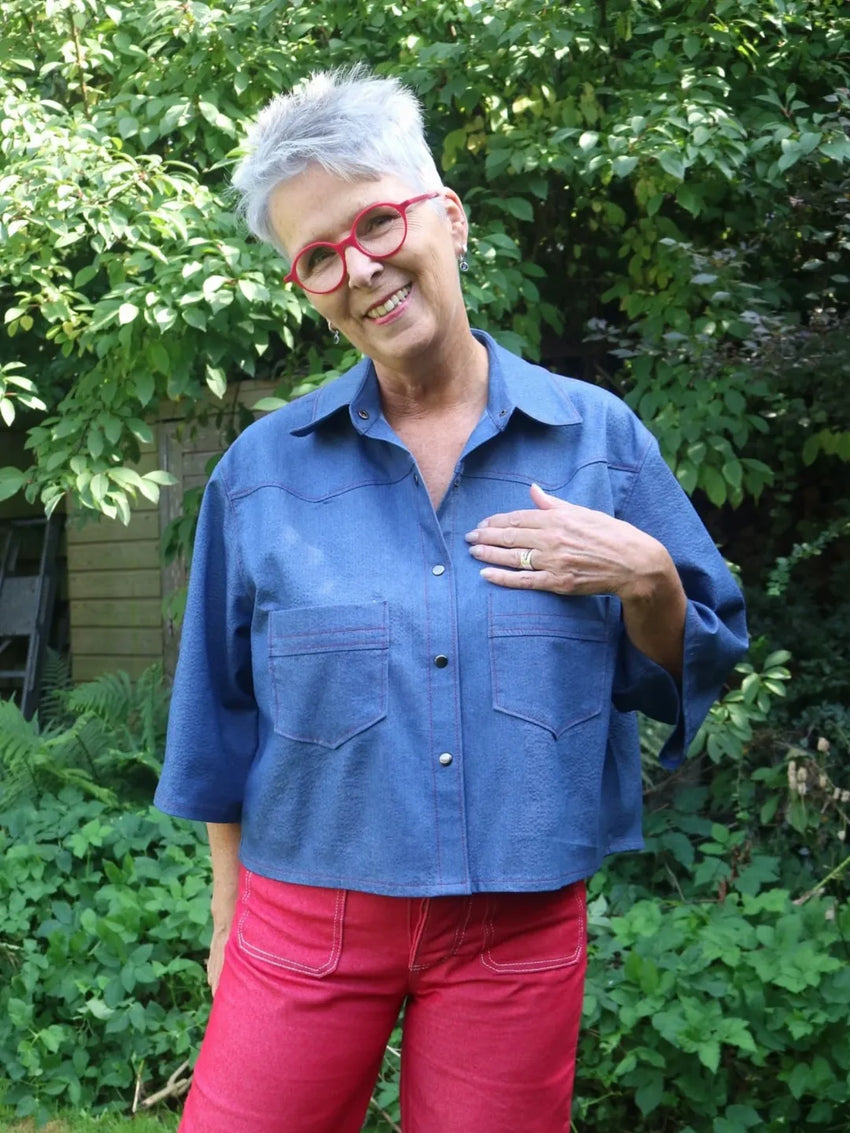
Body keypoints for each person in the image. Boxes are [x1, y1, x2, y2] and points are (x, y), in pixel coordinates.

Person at [154, 65, 747, 1133]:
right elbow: (218, 718)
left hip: (516, 932)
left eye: (376, 222)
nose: (359, 269)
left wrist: (649, 576)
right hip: (302, 923)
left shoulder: (599, 442)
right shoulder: (260, 475)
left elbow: (686, 666)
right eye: (318, 257)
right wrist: (228, 915)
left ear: (451, 218)